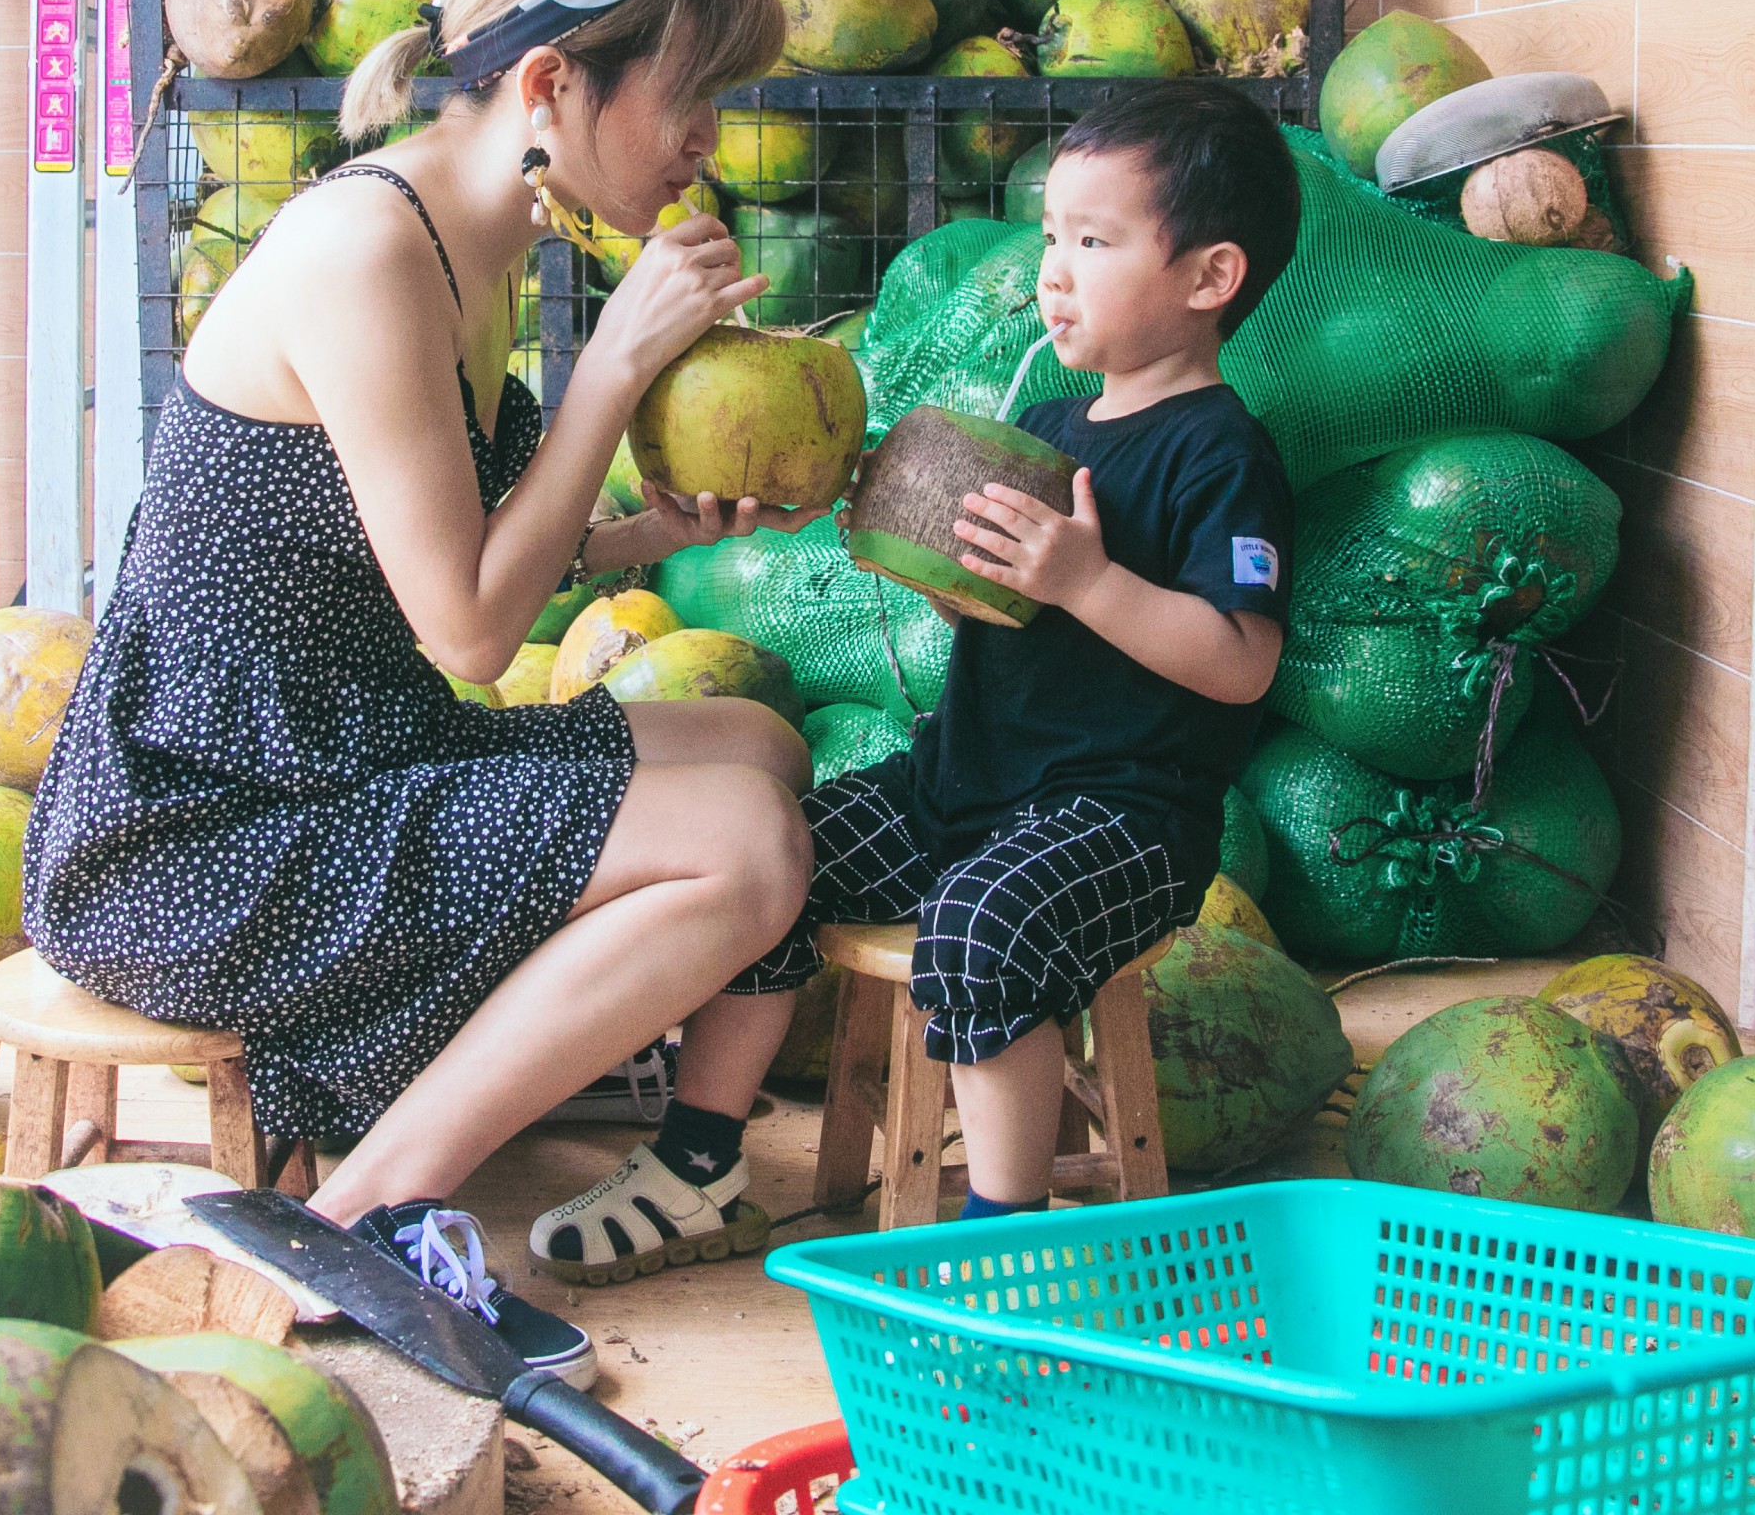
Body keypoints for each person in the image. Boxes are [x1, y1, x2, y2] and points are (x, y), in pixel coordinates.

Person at [24, 0, 824, 1388]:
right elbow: (466, 624)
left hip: (349, 754)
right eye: (692, 101)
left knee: (757, 742)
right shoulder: (366, 247)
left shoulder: (486, 244)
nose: (708, 148)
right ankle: (371, 1204)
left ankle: (661, 1128)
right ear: (549, 83)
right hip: (200, 831)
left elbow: (470, 550)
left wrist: (657, 528)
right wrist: (611, 375)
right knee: (744, 843)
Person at [531, 79, 1299, 1272]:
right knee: (769, 859)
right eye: (1050, 237)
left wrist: (1088, 581)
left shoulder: (1222, 455)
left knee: (980, 925)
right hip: (968, 781)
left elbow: (1242, 662)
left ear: (1207, 278)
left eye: (1092, 242)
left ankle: (1002, 1245)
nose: (1052, 269)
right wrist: (913, 545)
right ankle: (697, 1163)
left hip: (1122, 821)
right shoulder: (1048, 418)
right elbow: (999, 606)